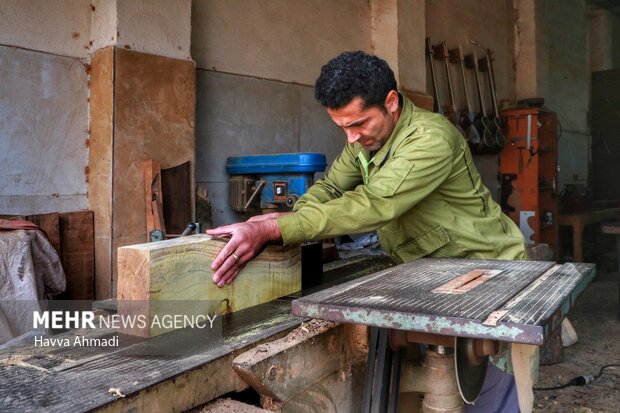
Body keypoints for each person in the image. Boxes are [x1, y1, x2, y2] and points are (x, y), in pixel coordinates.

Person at [207, 51, 527, 412]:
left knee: (484, 392)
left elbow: (373, 204)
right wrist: (279, 221)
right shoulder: (364, 142)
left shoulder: (430, 139)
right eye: (342, 126)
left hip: (485, 271)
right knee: (437, 383)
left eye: (359, 124)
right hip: (430, 271)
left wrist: (276, 228)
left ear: (391, 102)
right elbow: (331, 188)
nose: (350, 137)